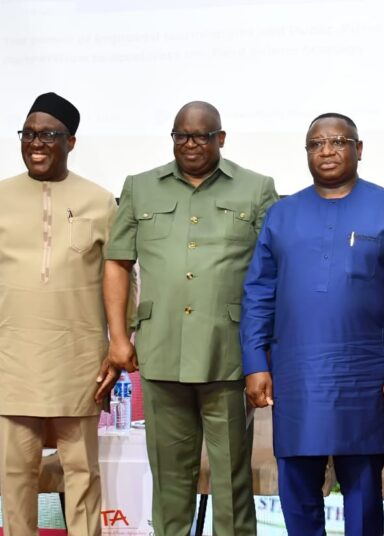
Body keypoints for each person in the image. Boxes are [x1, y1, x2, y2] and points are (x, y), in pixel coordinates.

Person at [241, 112, 384, 536]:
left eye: (338, 141)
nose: (326, 151)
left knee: (364, 492)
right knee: (297, 489)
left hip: (366, 374)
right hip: (298, 374)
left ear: (358, 149)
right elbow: (257, 294)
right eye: (316, 144)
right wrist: (255, 362)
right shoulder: (282, 215)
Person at [103, 101, 278, 535]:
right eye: (181, 135)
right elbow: (117, 262)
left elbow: (274, 270)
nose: (191, 144)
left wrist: (265, 351)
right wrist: (119, 338)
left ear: (221, 138)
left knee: (233, 482)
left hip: (229, 356)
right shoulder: (141, 188)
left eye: (201, 136)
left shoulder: (256, 189)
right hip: (161, 353)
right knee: (169, 483)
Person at [0, 92, 119, 535]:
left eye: (48, 134)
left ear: (70, 141)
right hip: (12, 357)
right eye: (28, 134)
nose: (36, 143)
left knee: (82, 474)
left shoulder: (100, 200)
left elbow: (122, 280)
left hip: (80, 358)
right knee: (15, 477)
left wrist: (118, 345)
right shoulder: (1, 196)